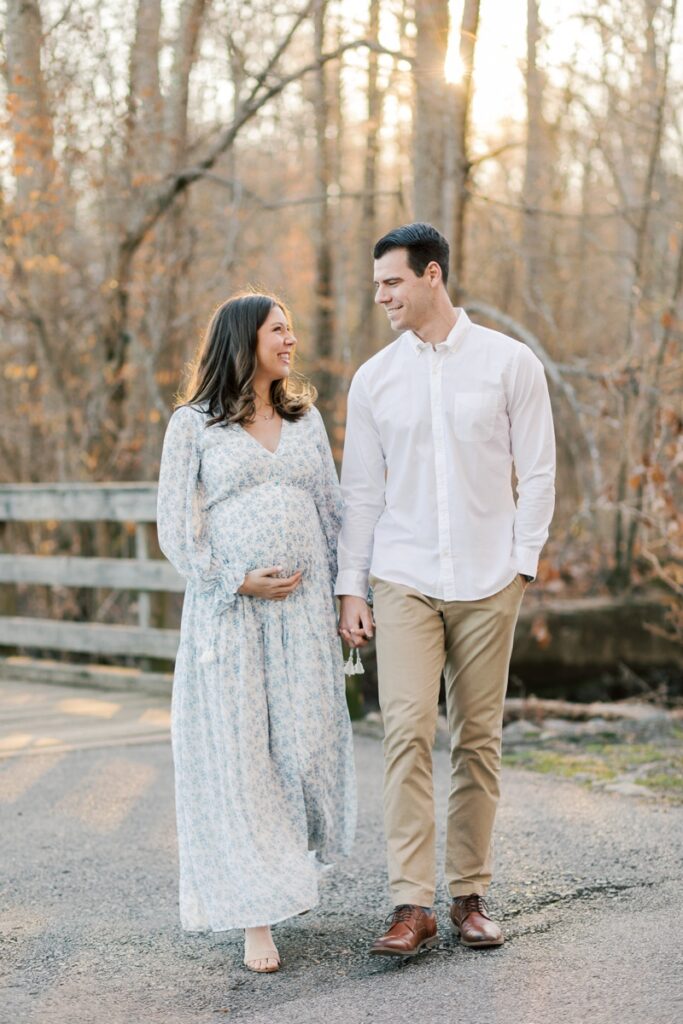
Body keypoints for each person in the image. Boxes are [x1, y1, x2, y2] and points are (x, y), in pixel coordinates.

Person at [336, 223, 555, 956]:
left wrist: (521, 565)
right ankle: (408, 905)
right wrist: (351, 587)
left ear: (432, 276)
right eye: (377, 287)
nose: (382, 298)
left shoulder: (507, 363)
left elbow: (539, 471)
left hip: (490, 578)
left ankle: (467, 895)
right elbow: (360, 494)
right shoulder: (374, 380)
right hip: (402, 579)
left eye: (391, 283)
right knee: (404, 734)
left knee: (477, 740)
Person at [157, 292, 356, 974]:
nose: (291, 340)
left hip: (301, 619)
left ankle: (287, 871)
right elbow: (174, 528)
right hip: (229, 619)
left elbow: (332, 512)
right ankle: (254, 916)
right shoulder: (194, 425)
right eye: (279, 330)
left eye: (292, 329)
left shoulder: (306, 419)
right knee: (242, 758)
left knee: (301, 749)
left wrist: (344, 595)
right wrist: (234, 576)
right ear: (245, 340)